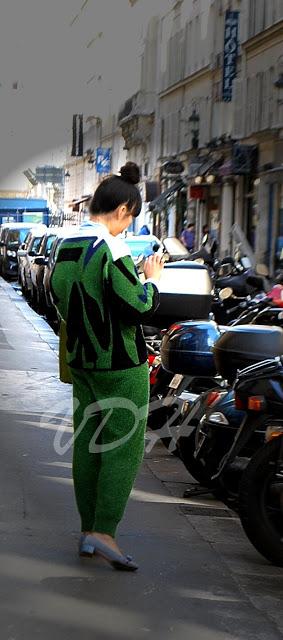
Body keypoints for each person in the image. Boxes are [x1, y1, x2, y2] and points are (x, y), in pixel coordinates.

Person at [50, 162, 164, 571]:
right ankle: (104, 532)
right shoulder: (111, 248)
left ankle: (88, 530)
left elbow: (57, 298)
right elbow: (138, 306)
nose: (128, 226)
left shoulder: (66, 244)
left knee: (87, 442)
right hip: (119, 363)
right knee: (122, 447)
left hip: (81, 360)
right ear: (122, 210)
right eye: (130, 217)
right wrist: (151, 279)